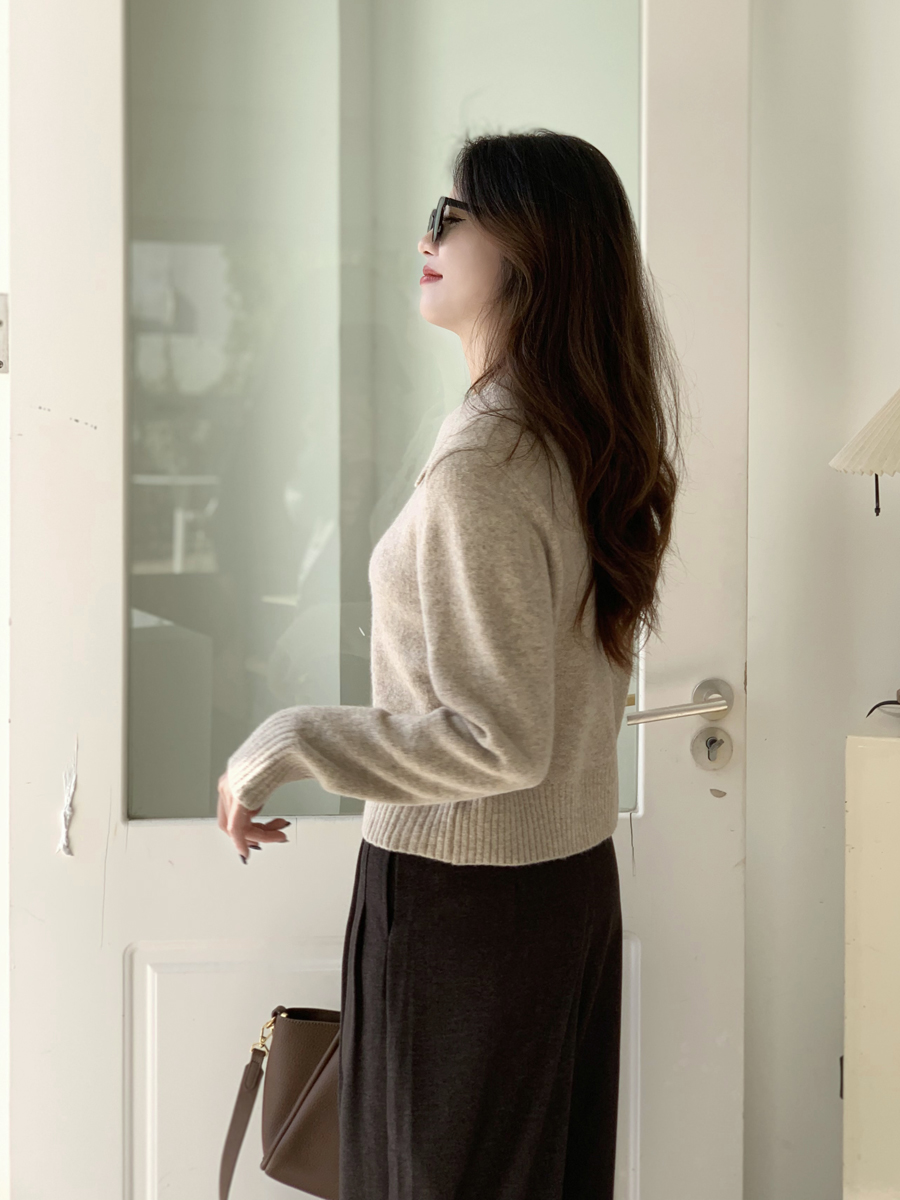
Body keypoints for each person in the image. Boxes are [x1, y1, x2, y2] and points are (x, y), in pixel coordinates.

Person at [216, 128, 683, 1200]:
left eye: (452, 216)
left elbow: (497, 739)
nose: (426, 237)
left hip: (464, 908)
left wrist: (288, 738)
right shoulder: (576, 438)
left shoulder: (490, 456)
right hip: (560, 892)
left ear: (530, 250)